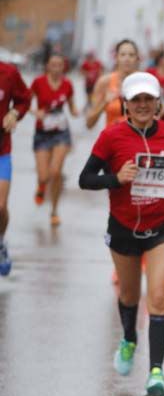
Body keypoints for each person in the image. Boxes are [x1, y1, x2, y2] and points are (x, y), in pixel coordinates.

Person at [79, 72, 164, 396]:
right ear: (125, 104)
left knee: (159, 298)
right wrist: (116, 178)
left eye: (148, 99)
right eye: (136, 100)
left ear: (158, 104)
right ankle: (129, 338)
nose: (142, 105)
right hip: (124, 227)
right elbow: (85, 178)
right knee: (129, 296)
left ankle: (156, 373)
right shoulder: (111, 136)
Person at [29, 52, 78, 226]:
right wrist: (36, 112)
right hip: (42, 132)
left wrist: (77, 112)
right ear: (47, 66)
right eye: (53, 65)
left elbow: (72, 107)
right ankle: (41, 185)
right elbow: (25, 102)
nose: (56, 68)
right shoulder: (38, 82)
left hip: (61, 132)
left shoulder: (67, 84)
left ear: (64, 67)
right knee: (44, 175)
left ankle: (54, 211)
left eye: (60, 65)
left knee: (55, 172)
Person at [0, 61, 31, 276]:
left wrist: (14, 113)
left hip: (1, 150)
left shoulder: (8, 72)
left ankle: (0, 242)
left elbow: (24, 99)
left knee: (0, 207)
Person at [86, 39, 141, 131]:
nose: (127, 59)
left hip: (138, 137)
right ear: (116, 58)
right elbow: (89, 123)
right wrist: (105, 102)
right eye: (123, 55)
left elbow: (157, 115)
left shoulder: (144, 81)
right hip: (112, 137)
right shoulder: (104, 82)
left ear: (137, 59)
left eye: (131, 55)